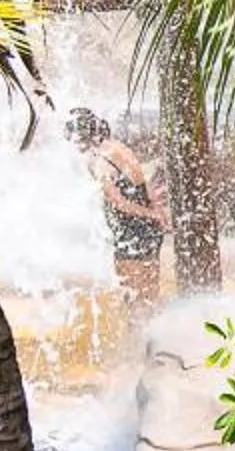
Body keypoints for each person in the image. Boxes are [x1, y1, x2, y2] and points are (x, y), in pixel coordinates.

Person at [67, 108, 170, 306]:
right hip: (149, 231)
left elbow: (118, 203)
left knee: (132, 295)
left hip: (131, 231)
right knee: (149, 293)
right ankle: (155, 333)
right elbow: (144, 185)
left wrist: (152, 215)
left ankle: (138, 336)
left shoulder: (98, 161)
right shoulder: (118, 147)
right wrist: (156, 212)